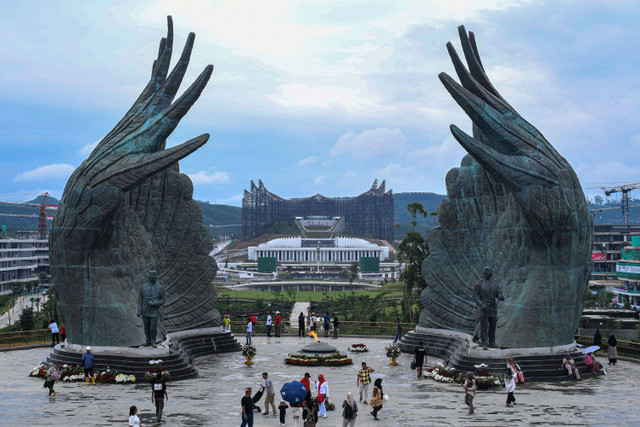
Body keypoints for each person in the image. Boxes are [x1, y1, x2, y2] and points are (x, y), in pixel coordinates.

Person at [472, 267, 504, 350]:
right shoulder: (479, 284)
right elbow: (475, 295)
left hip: (493, 307)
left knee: (493, 326)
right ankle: (485, 343)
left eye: (487, 274)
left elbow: (497, 294)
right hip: (484, 308)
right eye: (484, 274)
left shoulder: (495, 284)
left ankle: (492, 342)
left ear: (490, 275)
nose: (485, 275)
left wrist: (500, 297)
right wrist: (481, 304)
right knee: (484, 327)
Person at [137, 270, 165, 347]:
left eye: (155, 278)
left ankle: (153, 341)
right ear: (149, 278)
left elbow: (163, 300)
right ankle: (147, 341)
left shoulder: (160, 287)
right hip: (145, 310)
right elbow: (140, 299)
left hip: (154, 311)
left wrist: (155, 303)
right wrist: (139, 311)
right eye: (153, 278)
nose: (154, 279)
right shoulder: (143, 287)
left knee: (153, 327)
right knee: (146, 327)